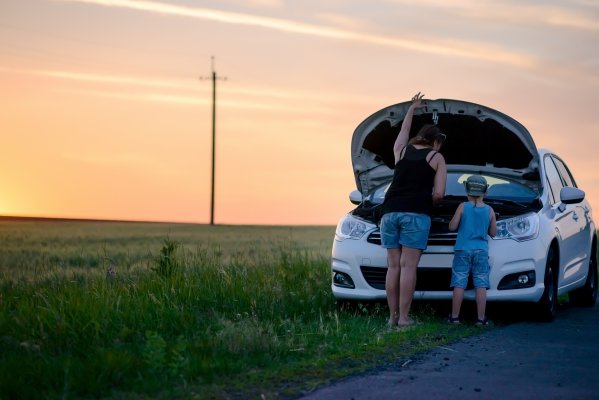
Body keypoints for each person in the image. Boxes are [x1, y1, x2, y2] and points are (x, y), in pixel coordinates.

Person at [381, 92, 447, 328]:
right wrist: (432, 201)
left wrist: (412, 108)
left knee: (393, 266)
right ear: (435, 142)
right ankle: (405, 319)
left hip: (389, 212)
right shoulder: (436, 157)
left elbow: (403, 132)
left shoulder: (400, 151)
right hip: (416, 213)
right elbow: (439, 193)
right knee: (409, 267)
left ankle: (391, 319)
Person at [447, 175, 497, 326]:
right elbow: (493, 233)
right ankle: (481, 319)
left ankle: (455, 317)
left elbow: (452, 227)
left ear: (467, 191)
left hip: (463, 249)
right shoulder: (490, 210)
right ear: (486, 192)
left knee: (459, 281)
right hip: (481, 250)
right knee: (481, 283)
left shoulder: (462, 206)